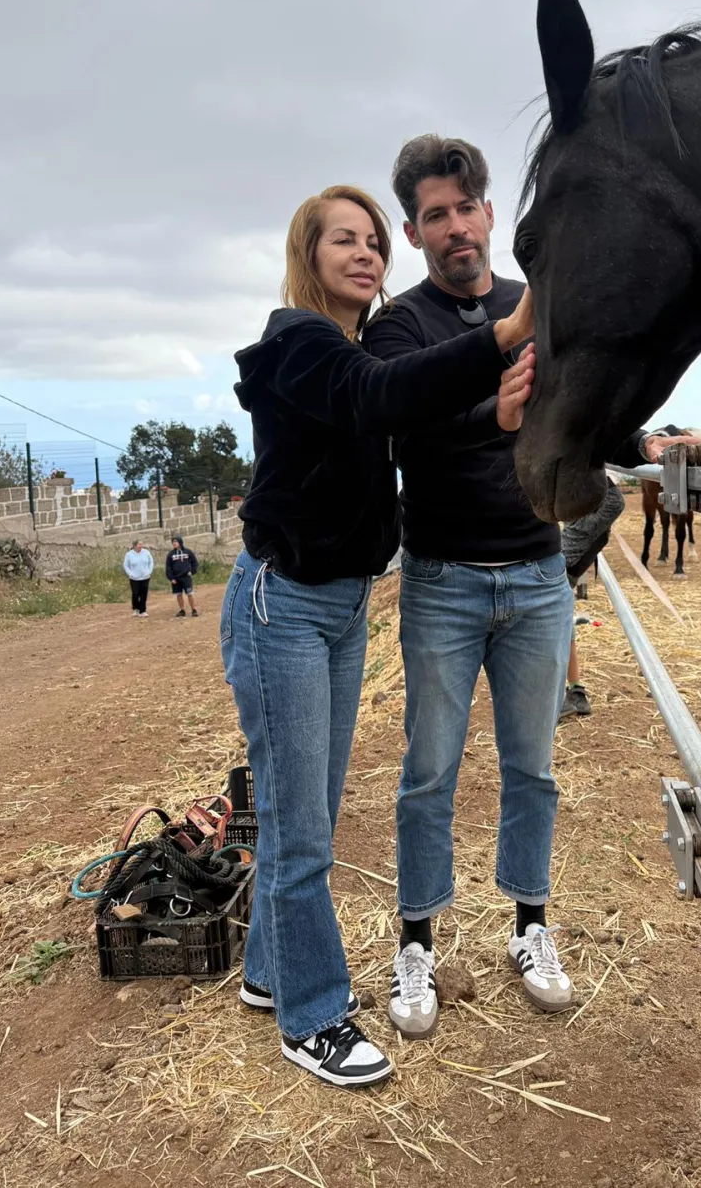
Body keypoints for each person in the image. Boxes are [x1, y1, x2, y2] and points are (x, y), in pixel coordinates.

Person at [221, 183, 533, 1089]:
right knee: (301, 827)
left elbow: (404, 410)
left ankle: (271, 973)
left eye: (372, 242)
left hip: (342, 605)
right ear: (307, 255)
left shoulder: (352, 352)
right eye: (343, 241)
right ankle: (314, 1017)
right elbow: (382, 394)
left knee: (306, 810)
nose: (365, 254)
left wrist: (496, 415)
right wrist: (507, 334)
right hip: (284, 603)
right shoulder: (299, 341)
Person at [361, 136, 575, 1040]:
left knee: (533, 769)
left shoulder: (539, 303)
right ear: (413, 233)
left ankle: (530, 926)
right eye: (434, 215)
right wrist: (498, 412)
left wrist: (651, 443)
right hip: (443, 580)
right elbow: (406, 433)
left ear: (490, 214)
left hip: (538, 574)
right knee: (429, 774)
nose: (455, 227)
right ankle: (417, 940)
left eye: (465, 208)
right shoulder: (397, 327)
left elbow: (581, 405)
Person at [558, 478, 627, 719]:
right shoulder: (584, 522)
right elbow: (614, 502)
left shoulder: (581, 521)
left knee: (561, 633)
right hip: (562, 576)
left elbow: (614, 502)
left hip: (560, 576)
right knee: (562, 633)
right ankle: (570, 693)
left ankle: (566, 694)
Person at [166, 536, 199, 617]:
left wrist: (192, 571)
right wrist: (171, 578)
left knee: (189, 593)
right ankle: (182, 610)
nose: (174, 543)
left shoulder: (188, 552)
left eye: (175, 541)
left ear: (180, 542)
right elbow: (168, 567)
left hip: (186, 577)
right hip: (176, 578)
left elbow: (195, 562)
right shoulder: (171, 554)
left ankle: (194, 610)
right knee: (179, 594)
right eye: (173, 542)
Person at [123, 539, 153, 617]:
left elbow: (151, 562)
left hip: (145, 577)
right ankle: (136, 608)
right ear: (135, 546)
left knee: (143, 594)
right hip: (134, 578)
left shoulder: (146, 552)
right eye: (139, 544)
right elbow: (126, 565)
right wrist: (130, 573)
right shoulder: (129, 554)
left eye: (142, 544)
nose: (141, 546)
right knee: (135, 594)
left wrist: (149, 571)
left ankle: (142, 611)